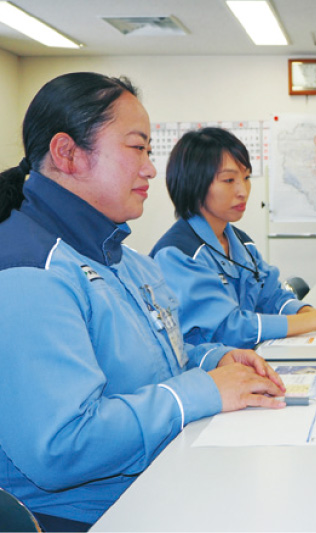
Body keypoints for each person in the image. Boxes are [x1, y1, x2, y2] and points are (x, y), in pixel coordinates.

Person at [0, 72, 287, 532]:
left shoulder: (124, 258)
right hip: (87, 517)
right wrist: (203, 389)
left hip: (162, 480)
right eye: (137, 148)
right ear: (67, 153)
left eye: (149, 151)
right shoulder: (28, 270)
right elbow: (63, 446)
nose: (151, 168)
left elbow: (153, 358)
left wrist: (217, 360)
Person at [150, 127, 316, 348]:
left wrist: (315, 314)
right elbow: (229, 328)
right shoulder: (176, 255)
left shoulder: (240, 242)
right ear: (193, 184)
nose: (243, 191)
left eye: (246, 178)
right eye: (228, 180)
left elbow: (271, 297)